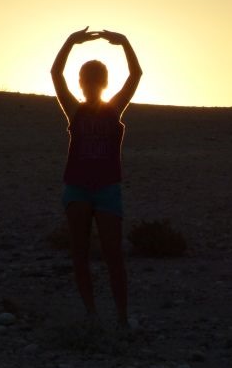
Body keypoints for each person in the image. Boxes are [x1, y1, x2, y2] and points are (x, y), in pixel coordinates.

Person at [50, 26, 142, 328]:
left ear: (103, 83)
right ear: (81, 83)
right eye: (85, 80)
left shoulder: (114, 110)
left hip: (107, 190)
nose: (89, 85)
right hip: (77, 188)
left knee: (113, 255)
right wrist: (69, 41)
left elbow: (136, 75)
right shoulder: (74, 111)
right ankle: (92, 314)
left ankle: (121, 317)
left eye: (94, 80)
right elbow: (56, 74)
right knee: (80, 253)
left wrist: (125, 42)